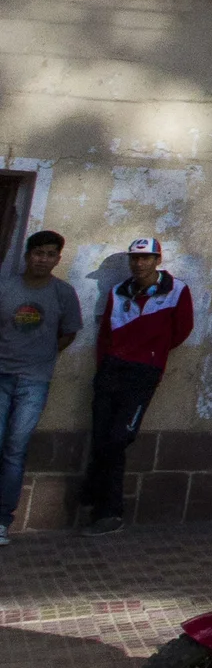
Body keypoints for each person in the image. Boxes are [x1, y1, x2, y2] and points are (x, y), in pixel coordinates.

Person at [80, 238, 194, 529]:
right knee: (102, 435)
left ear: (157, 260)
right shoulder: (119, 291)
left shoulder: (176, 290)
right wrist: (107, 361)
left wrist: (152, 353)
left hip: (143, 372)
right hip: (111, 369)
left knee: (119, 437)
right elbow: (106, 331)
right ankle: (102, 509)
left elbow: (182, 330)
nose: (139, 264)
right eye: (135, 258)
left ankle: (107, 508)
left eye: (146, 258)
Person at [0, 225, 83, 545]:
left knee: (15, 450)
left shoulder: (63, 293)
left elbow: (69, 332)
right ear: (27, 256)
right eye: (38, 253)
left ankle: (3, 520)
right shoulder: (6, 288)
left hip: (34, 380)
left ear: (57, 259)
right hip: (2, 375)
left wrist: (43, 356)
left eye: (50, 255)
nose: (43, 259)